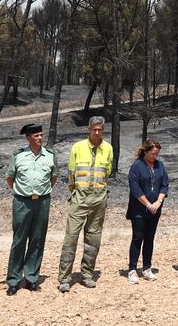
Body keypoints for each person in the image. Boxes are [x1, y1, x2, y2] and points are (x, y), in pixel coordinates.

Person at [57, 116, 114, 292]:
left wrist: (99, 192)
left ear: (103, 130)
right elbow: (71, 173)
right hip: (79, 198)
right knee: (71, 237)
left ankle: (87, 274)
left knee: (93, 238)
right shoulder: (78, 147)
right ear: (89, 129)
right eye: (94, 129)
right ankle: (64, 278)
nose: (97, 132)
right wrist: (75, 192)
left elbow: (107, 171)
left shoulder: (108, 148)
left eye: (100, 129)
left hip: (99, 199)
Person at [5, 123, 59, 295]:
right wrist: (22, 192)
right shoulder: (19, 156)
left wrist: (41, 192)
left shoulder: (50, 156)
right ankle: (13, 280)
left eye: (41, 135)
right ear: (28, 138)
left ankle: (31, 278)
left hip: (42, 202)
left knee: (37, 240)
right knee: (19, 240)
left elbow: (53, 177)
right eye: (36, 136)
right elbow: (10, 178)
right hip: (22, 202)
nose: (40, 138)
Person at [126, 140, 169, 284]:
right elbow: (135, 188)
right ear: (145, 152)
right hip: (139, 209)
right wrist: (148, 204)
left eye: (157, 154)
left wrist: (158, 202)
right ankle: (132, 269)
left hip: (155, 209)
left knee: (150, 238)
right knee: (137, 238)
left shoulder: (160, 165)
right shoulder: (137, 166)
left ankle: (146, 267)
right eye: (153, 154)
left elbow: (164, 185)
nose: (155, 156)